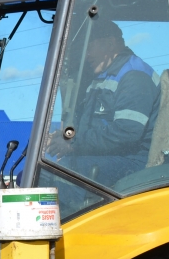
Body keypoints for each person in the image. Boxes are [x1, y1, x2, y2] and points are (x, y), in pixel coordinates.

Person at [49, 17, 160, 186]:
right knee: (38, 171)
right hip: (109, 158)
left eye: (90, 47)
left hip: (134, 162)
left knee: (54, 177)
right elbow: (91, 126)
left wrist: (73, 142)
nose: (86, 55)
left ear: (109, 44)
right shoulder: (102, 77)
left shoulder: (135, 76)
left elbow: (127, 133)